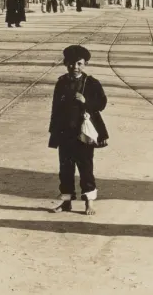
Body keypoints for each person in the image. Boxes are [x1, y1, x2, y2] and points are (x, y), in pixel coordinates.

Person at [48, 45, 109, 215]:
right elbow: (55, 109)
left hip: (84, 134)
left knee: (85, 167)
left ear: (85, 64)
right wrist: (54, 133)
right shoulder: (61, 83)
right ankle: (66, 202)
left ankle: (89, 202)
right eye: (70, 64)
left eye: (79, 64)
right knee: (65, 169)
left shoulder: (92, 83)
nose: (75, 67)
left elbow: (101, 104)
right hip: (65, 133)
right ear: (65, 64)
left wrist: (85, 101)